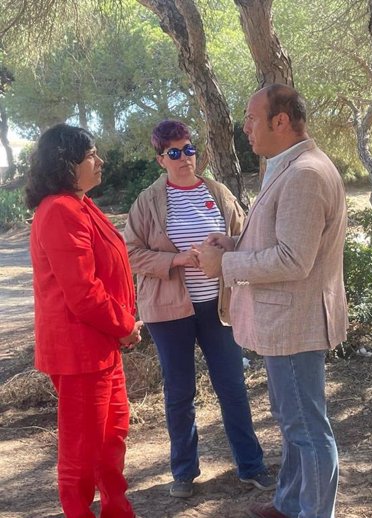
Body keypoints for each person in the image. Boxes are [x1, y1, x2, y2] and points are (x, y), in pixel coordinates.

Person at [197, 84, 348, 518]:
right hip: (287, 322)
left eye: (250, 117)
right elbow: (284, 239)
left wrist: (225, 265)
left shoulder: (304, 174)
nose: (244, 127)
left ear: (280, 121)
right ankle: (289, 503)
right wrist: (233, 243)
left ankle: (313, 512)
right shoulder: (289, 166)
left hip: (295, 324)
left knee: (307, 429)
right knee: (293, 421)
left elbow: (293, 259)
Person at [123, 120, 273, 499]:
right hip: (169, 313)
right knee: (179, 392)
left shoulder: (217, 192)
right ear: (161, 160)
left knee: (233, 387)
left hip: (218, 308)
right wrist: (176, 261)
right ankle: (184, 473)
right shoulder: (148, 201)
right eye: (174, 153)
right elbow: (132, 253)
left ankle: (251, 466)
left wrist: (225, 251)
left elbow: (245, 237)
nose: (184, 158)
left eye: (188, 149)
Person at [25, 123, 143, 518]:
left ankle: (116, 509)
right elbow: (83, 293)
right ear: (67, 163)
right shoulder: (59, 210)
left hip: (102, 345)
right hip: (80, 351)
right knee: (82, 449)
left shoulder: (80, 204)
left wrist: (122, 325)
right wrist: (125, 325)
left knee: (112, 436)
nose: (100, 160)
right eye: (92, 154)